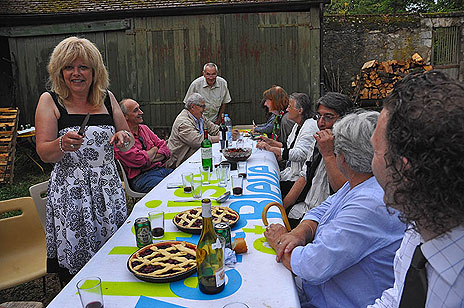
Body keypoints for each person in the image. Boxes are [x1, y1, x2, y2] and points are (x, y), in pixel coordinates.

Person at [264, 110, 406, 308]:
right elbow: (323, 209)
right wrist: (299, 233)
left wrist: (280, 241)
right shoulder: (363, 181)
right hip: (322, 291)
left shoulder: (371, 202)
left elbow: (312, 265)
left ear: (343, 158)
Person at [35, 36, 133, 282]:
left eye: (83, 67)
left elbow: (128, 138)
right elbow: (45, 153)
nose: (76, 73)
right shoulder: (50, 101)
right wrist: (62, 144)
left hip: (109, 190)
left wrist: (123, 136)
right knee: (77, 266)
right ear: (59, 71)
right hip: (72, 195)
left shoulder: (107, 99)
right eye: (69, 67)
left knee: (115, 258)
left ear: (94, 71)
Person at [368, 71, 464, 308]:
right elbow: (395, 299)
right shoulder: (418, 230)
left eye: (375, 151)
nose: (371, 164)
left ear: (405, 170)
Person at [283, 92, 353, 227]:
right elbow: (303, 177)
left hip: (326, 220)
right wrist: (282, 207)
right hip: (305, 210)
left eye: (328, 117)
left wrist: (327, 154)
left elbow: (343, 190)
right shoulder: (318, 142)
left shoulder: (350, 148)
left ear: (345, 120)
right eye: (319, 116)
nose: (321, 123)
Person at [256, 93, 318, 195]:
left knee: (266, 187)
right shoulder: (298, 124)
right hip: (291, 172)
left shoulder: (309, 126)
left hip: (300, 180)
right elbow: (289, 147)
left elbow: (299, 154)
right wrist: (270, 142)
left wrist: (271, 149)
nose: (287, 109)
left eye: (290, 107)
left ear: (300, 110)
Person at [115, 98, 173, 193]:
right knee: (169, 188)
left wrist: (148, 157)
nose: (141, 112)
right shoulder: (121, 138)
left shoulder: (144, 128)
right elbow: (139, 161)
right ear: (125, 116)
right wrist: (155, 149)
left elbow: (166, 150)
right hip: (141, 178)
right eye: (135, 110)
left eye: (139, 108)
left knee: (184, 180)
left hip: (161, 170)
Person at [166, 93, 220, 168]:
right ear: (193, 107)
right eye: (202, 106)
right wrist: (220, 138)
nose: (204, 109)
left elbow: (214, 129)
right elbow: (197, 140)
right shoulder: (183, 122)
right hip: (179, 163)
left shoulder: (200, 117)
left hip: (196, 158)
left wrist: (226, 133)